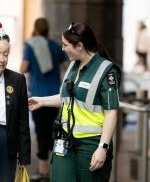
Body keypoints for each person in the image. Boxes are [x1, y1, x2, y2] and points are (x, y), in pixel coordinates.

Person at [28, 22, 121, 182]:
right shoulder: (73, 65)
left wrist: (102, 148)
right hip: (65, 140)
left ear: (79, 46)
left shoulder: (106, 71)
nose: (62, 49)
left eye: (66, 45)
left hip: (91, 144)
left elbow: (111, 112)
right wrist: (41, 101)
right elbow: (68, 98)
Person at [20, 17, 68, 181]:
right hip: (55, 96)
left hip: (38, 97)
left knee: (41, 133)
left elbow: (24, 68)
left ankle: (42, 172)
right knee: (51, 131)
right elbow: (67, 68)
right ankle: (51, 167)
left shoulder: (30, 46)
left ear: (35, 29)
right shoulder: (55, 46)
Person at [0, 22, 31, 182]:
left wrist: (24, 157)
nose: (2, 59)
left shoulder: (17, 80)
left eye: (6, 54)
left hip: (7, 139)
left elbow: (23, 121)